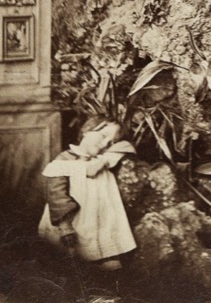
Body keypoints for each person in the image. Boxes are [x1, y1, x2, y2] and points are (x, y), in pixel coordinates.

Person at [38, 116, 137, 270]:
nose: (104, 144)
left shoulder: (102, 161)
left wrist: (105, 158)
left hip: (98, 222)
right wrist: (65, 226)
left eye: (110, 143)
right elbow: (56, 193)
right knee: (71, 261)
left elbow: (127, 147)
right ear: (86, 130)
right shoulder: (65, 160)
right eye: (103, 136)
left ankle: (107, 269)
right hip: (73, 223)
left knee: (106, 261)